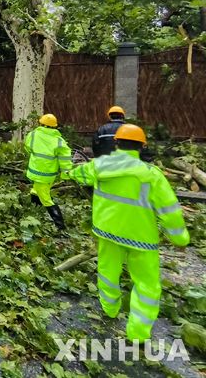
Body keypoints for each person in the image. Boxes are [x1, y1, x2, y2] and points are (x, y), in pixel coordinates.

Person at [64, 124, 189, 341]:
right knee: (147, 284)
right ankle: (138, 332)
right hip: (142, 239)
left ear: (116, 143)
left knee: (107, 272)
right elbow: (170, 211)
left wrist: (66, 173)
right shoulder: (151, 175)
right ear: (142, 146)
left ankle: (109, 308)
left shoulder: (100, 166)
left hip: (107, 232)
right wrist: (179, 238)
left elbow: (78, 174)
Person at [24, 113, 72, 231]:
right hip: (49, 175)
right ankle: (36, 213)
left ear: (41, 123)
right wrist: (66, 174)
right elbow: (65, 159)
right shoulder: (59, 141)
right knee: (36, 191)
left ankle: (60, 225)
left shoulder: (33, 135)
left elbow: (27, 148)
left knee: (45, 198)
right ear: (54, 126)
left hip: (35, 171)